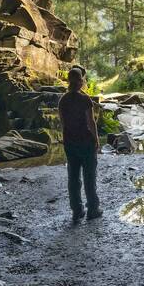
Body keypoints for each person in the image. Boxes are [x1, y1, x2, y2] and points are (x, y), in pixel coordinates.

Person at [58, 66, 101, 223]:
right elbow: (91, 122)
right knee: (90, 177)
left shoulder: (63, 100)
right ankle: (93, 210)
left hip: (70, 142)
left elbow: (63, 123)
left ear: (68, 81)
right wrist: (96, 139)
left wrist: (66, 140)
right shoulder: (85, 99)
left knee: (73, 178)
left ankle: (77, 211)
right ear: (81, 81)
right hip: (86, 142)